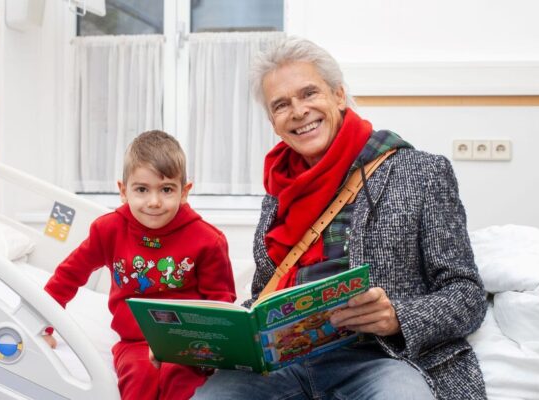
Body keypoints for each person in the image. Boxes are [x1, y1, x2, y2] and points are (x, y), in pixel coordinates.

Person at [192, 37, 487, 400]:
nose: (298, 111)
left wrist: (398, 317)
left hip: (381, 357)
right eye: (281, 105)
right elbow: (265, 299)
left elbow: (467, 293)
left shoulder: (420, 171)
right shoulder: (278, 190)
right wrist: (212, 340)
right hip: (285, 364)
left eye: (309, 93)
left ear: (339, 95)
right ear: (273, 122)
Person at [43, 130, 236, 400]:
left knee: (181, 380)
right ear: (123, 191)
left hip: (187, 344)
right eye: (142, 189)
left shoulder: (208, 240)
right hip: (134, 342)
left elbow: (221, 303)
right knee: (139, 377)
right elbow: (68, 276)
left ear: (184, 192)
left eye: (166, 189)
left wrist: (205, 349)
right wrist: (43, 326)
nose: (154, 202)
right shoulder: (108, 230)